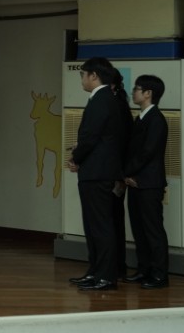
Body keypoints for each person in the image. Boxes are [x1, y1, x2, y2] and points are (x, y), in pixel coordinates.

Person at [67, 57, 124, 291]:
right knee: (92, 226)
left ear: (94, 76)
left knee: (100, 225)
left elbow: (91, 137)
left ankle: (106, 276)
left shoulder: (102, 99)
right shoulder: (102, 98)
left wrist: (76, 157)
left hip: (98, 172)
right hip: (95, 171)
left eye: (83, 74)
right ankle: (95, 272)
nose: (81, 79)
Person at [123, 75, 170, 289]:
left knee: (153, 230)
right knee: (139, 230)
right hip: (135, 182)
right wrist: (127, 176)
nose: (133, 92)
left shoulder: (156, 119)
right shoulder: (140, 118)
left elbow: (148, 153)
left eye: (137, 88)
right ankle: (144, 270)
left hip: (149, 184)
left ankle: (159, 275)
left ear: (148, 93)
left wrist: (127, 173)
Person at [111, 68, 134, 280]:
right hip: (118, 173)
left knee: (111, 221)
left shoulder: (114, 107)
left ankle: (115, 267)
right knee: (115, 220)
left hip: (113, 173)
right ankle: (117, 266)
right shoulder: (121, 106)